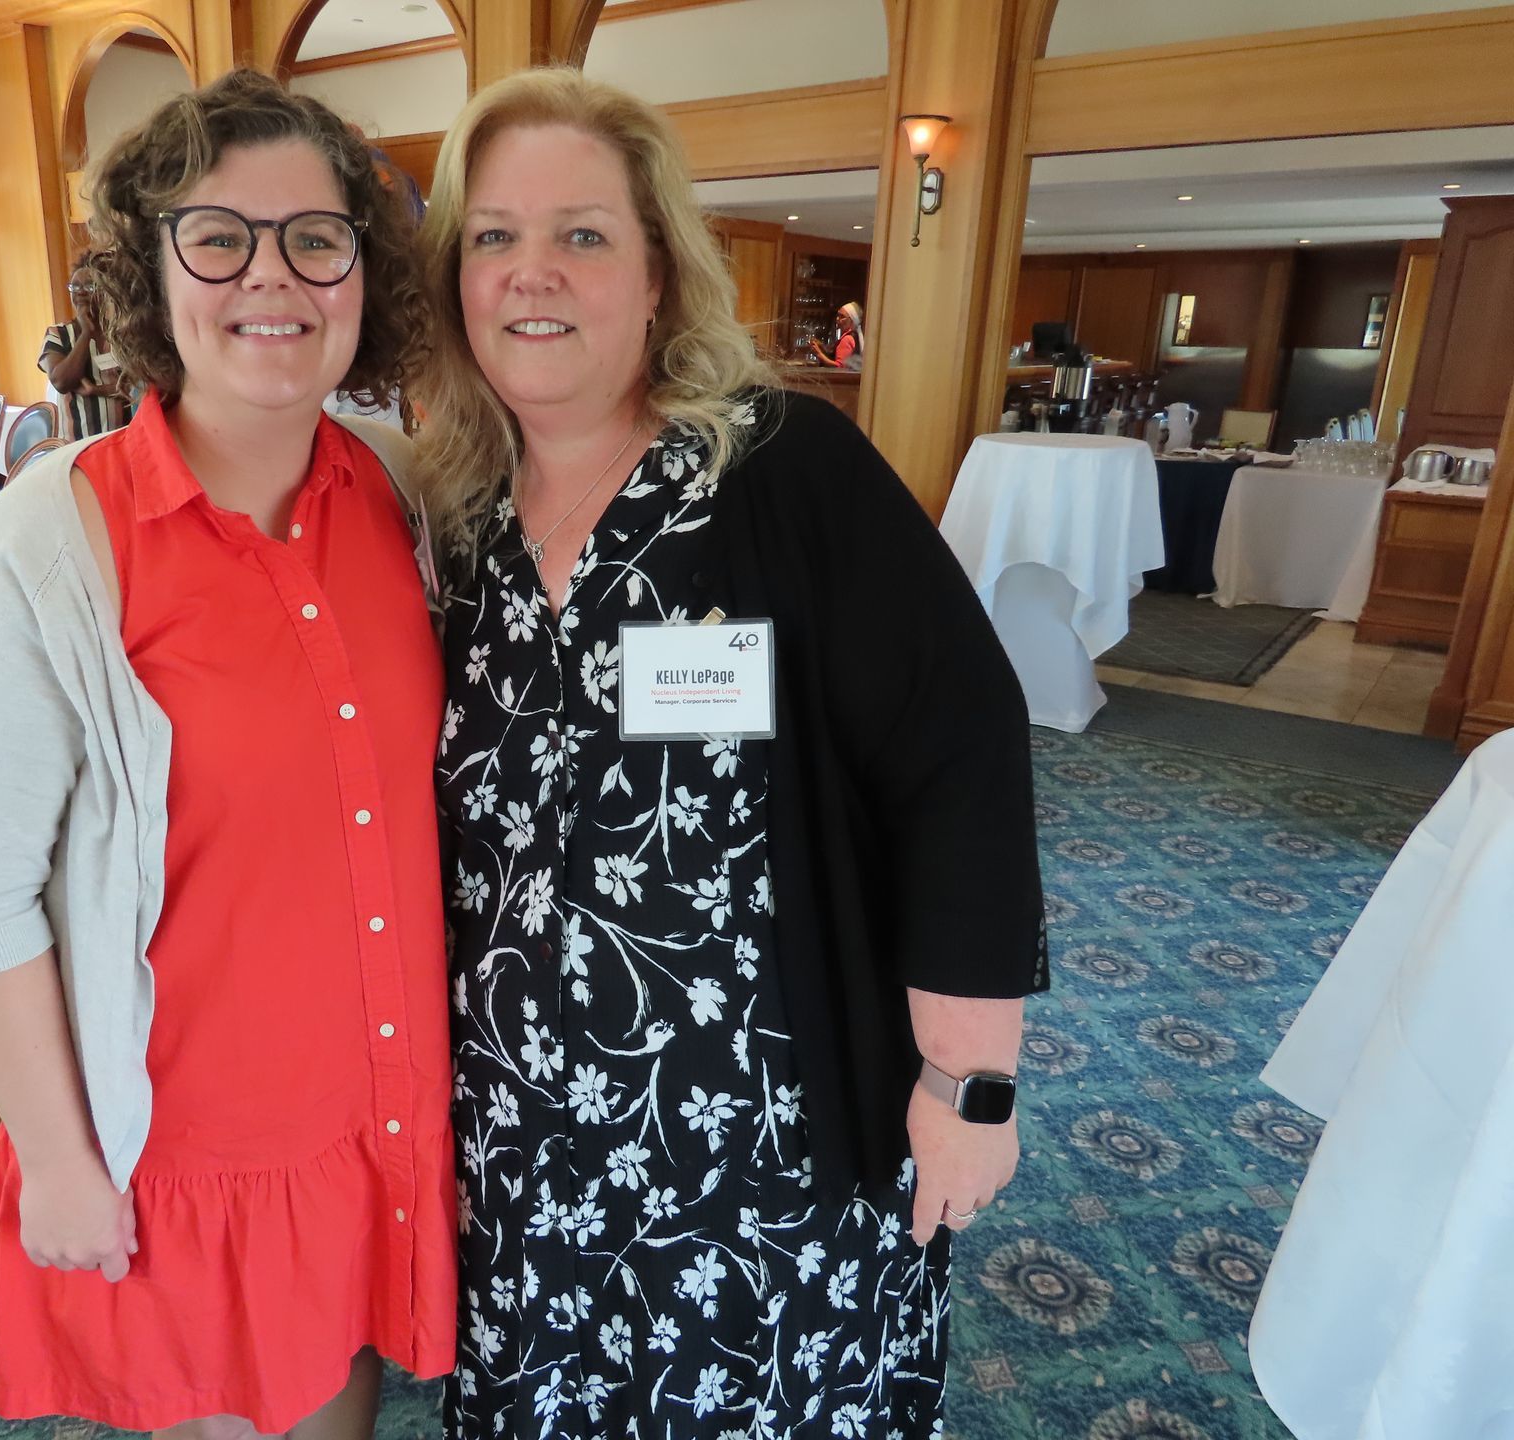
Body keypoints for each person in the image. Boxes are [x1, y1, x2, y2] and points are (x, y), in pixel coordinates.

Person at [412, 68, 1045, 1439]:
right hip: (525, 1163)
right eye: (493, 236)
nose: (536, 273)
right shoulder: (445, 528)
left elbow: (963, 745)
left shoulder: (779, 472)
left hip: (767, 1160)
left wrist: (968, 1080)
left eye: (584, 234)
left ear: (657, 275)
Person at [0, 68, 454, 1440]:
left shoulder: (395, 491)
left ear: (362, 272)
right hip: (191, 1163)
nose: (273, 277)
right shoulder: (46, 548)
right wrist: (59, 1164)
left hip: (375, 1126)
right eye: (219, 235)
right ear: (154, 272)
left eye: (316, 239)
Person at [39, 257, 130, 437]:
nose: (80, 293)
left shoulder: (120, 335)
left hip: (122, 440)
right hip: (79, 446)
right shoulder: (58, 335)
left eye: (89, 286)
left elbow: (134, 388)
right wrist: (86, 333)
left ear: (106, 291)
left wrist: (96, 390)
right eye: (75, 287)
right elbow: (61, 382)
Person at [808, 297, 864, 370]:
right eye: (838, 316)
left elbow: (839, 367)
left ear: (851, 320)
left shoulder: (847, 339)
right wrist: (822, 347)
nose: (837, 319)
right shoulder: (854, 336)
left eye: (842, 317)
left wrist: (819, 354)